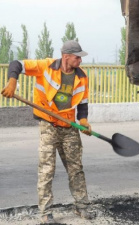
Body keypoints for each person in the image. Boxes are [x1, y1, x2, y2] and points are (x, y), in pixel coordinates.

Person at [1, 40, 96, 224]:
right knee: (47, 169)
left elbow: (83, 102)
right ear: (66, 56)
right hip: (48, 125)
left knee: (76, 168)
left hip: (69, 127)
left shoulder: (82, 76)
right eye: (77, 57)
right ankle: (45, 211)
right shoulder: (46, 66)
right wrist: (13, 80)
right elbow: (16, 64)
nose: (80, 61)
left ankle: (81, 206)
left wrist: (83, 120)